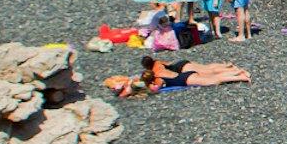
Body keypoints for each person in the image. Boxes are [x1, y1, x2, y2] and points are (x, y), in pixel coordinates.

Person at [105, 55, 251, 97]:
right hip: (182, 70)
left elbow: (155, 89)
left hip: (184, 78)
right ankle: (234, 70)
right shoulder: (158, 65)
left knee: (214, 79)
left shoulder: (158, 78)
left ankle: (239, 75)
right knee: (210, 71)